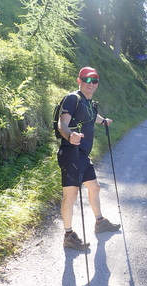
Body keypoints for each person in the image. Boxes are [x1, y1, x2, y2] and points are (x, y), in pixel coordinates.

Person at [57, 66, 120, 251]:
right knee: (71, 196)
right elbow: (63, 123)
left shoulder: (90, 103)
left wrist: (104, 121)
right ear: (79, 80)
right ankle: (68, 235)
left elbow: (92, 116)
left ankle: (100, 222)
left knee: (95, 188)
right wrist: (70, 135)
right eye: (87, 80)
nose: (91, 84)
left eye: (94, 80)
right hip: (70, 153)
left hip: (83, 155)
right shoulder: (72, 98)